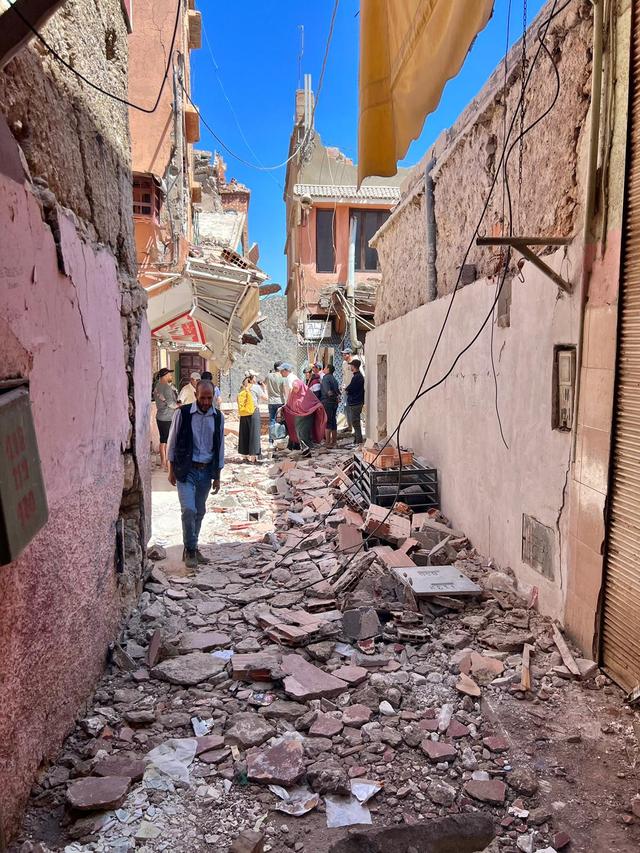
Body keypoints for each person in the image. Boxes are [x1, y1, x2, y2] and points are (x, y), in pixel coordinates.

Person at [167, 380, 224, 569]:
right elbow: (172, 441)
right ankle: (189, 549)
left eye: (209, 398)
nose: (206, 402)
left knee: (199, 511)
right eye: (203, 398)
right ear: (196, 396)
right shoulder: (182, 414)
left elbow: (219, 447)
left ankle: (193, 546)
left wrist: (217, 475)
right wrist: (170, 469)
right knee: (188, 510)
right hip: (186, 469)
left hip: (206, 471)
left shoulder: (218, 417)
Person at [283, 378, 327, 458]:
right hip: (297, 418)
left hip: (306, 417)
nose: (295, 390)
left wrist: (318, 407)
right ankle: (305, 450)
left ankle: (308, 450)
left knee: (304, 434)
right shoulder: (293, 394)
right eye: (294, 388)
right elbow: (289, 405)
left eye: (296, 388)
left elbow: (315, 402)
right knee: (299, 434)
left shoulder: (307, 393)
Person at [153, 367, 178, 471]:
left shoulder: (157, 386)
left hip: (160, 416)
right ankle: (168, 465)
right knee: (168, 441)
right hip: (168, 417)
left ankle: (163, 463)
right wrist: (179, 405)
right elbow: (171, 404)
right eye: (169, 374)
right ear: (165, 376)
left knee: (162, 440)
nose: (170, 376)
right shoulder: (166, 388)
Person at [237, 375, 265, 463]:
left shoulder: (242, 388)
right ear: (251, 379)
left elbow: (237, 399)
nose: (256, 378)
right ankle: (253, 458)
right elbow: (265, 398)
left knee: (244, 432)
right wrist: (264, 388)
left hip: (244, 412)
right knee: (254, 434)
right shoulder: (256, 387)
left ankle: (244, 456)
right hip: (253, 411)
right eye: (255, 377)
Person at [346, 358, 365, 446]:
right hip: (357, 401)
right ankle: (356, 440)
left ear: (354, 366)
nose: (350, 367)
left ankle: (358, 442)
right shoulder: (357, 376)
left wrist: (347, 390)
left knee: (356, 422)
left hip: (355, 402)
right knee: (355, 422)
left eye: (351, 365)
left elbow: (351, 389)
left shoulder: (357, 377)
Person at [320, 363, 340, 448]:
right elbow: (338, 391)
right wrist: (336, 398)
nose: (323, 369)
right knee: (333, 421)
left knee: (328, 421)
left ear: (328, 369)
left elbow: (328, 391)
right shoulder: (334, 378)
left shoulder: (325, 378)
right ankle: (334, 441)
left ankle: (328, 442)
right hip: (334, 402)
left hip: (328, 402)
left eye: (325, 367)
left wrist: (331, 397)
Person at [266, 362, 285, 445]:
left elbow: (263, 383)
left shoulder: (268, 376)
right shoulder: (282, 377)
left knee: (272, 420)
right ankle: (282, 438)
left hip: (271, 401)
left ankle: (271, 440)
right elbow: (284, 389)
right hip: (280, 401)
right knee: (283, 420)